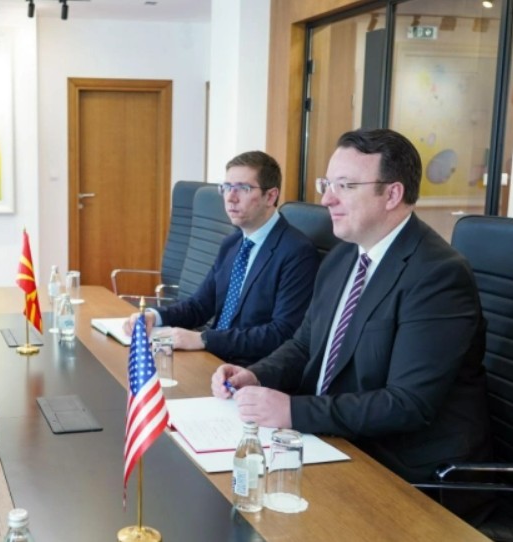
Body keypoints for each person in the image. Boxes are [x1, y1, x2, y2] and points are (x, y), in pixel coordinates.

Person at [211, 129, 492, 519]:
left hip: (406, 473)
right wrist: (256, 375)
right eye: (327, 184)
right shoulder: (344, 256)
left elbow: (407, 404)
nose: (327, 198)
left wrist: (293, 411)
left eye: (344, 186)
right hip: (337, 443)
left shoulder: (438, 275)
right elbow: (305, 345)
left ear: (391, 194)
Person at [125, 151, 319, 366]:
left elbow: (281, 333)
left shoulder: (297, 252)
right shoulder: (232, 243)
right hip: (213, 357)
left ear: (271, 196)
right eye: (226, 187)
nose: (230, 198)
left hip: (251, 369)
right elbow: (199, 305)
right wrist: (154, 316)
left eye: (243, 188)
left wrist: (203, 339)